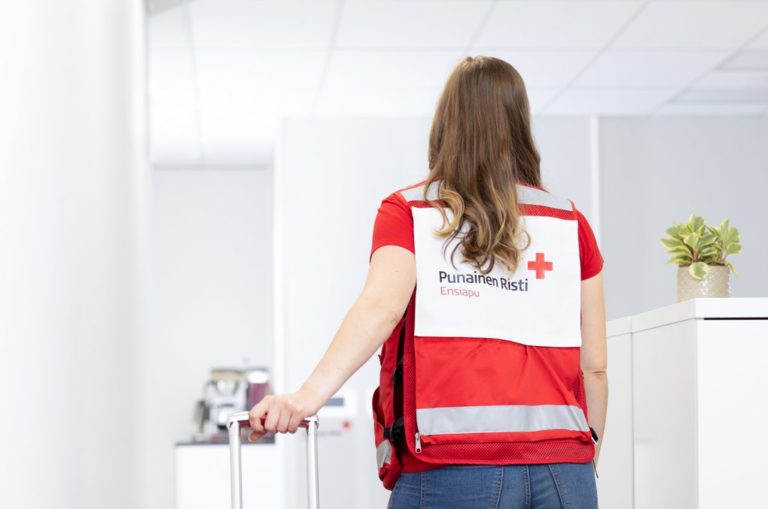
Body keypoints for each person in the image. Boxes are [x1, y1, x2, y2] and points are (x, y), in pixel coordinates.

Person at [246, 55, 607, 509]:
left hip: (450, 466)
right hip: (565, 469)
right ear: (520, 125)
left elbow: (381, 307)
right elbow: (593, 367)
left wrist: (307, 396)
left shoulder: (412, 212)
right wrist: (583, 458)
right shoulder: (569, 223)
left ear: (445, 125)